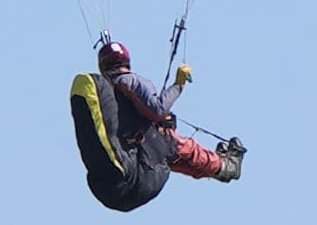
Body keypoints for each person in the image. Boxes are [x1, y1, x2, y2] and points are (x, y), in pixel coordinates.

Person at [67, 36, 246, 212]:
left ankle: (220, 168)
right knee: (174, 143)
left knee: (165, 147)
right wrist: (179, 85)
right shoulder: (129, 80)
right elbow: (158, 110)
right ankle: (224, 166)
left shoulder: (107, 98)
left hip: (116, 185)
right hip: (139, 178)